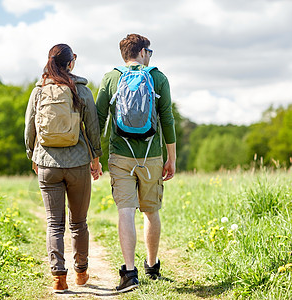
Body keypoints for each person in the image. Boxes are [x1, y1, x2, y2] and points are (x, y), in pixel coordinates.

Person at [95, 34, 176, 292]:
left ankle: (129, 274)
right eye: (149, 51)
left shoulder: (111, 78)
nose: (150, 55)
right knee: (151, 211)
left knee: (125, 211)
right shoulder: (158, 78)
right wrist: (171, 157)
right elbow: (168, 119)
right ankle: (152, 267)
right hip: (151, 155)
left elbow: (99, 119)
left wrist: (94, 157)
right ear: (141, 52)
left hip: (120, 154)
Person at [24, 44, 103, 293]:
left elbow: (29, 128)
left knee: (54, 224)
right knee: (79, 222)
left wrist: (32, 156)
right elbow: (93, 127)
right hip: (78, 162)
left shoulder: (39, 91)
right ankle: (81, 272)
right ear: (71, 62)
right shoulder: (81, 90)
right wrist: (96, 159)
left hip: (47, 163)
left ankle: (59, 277)